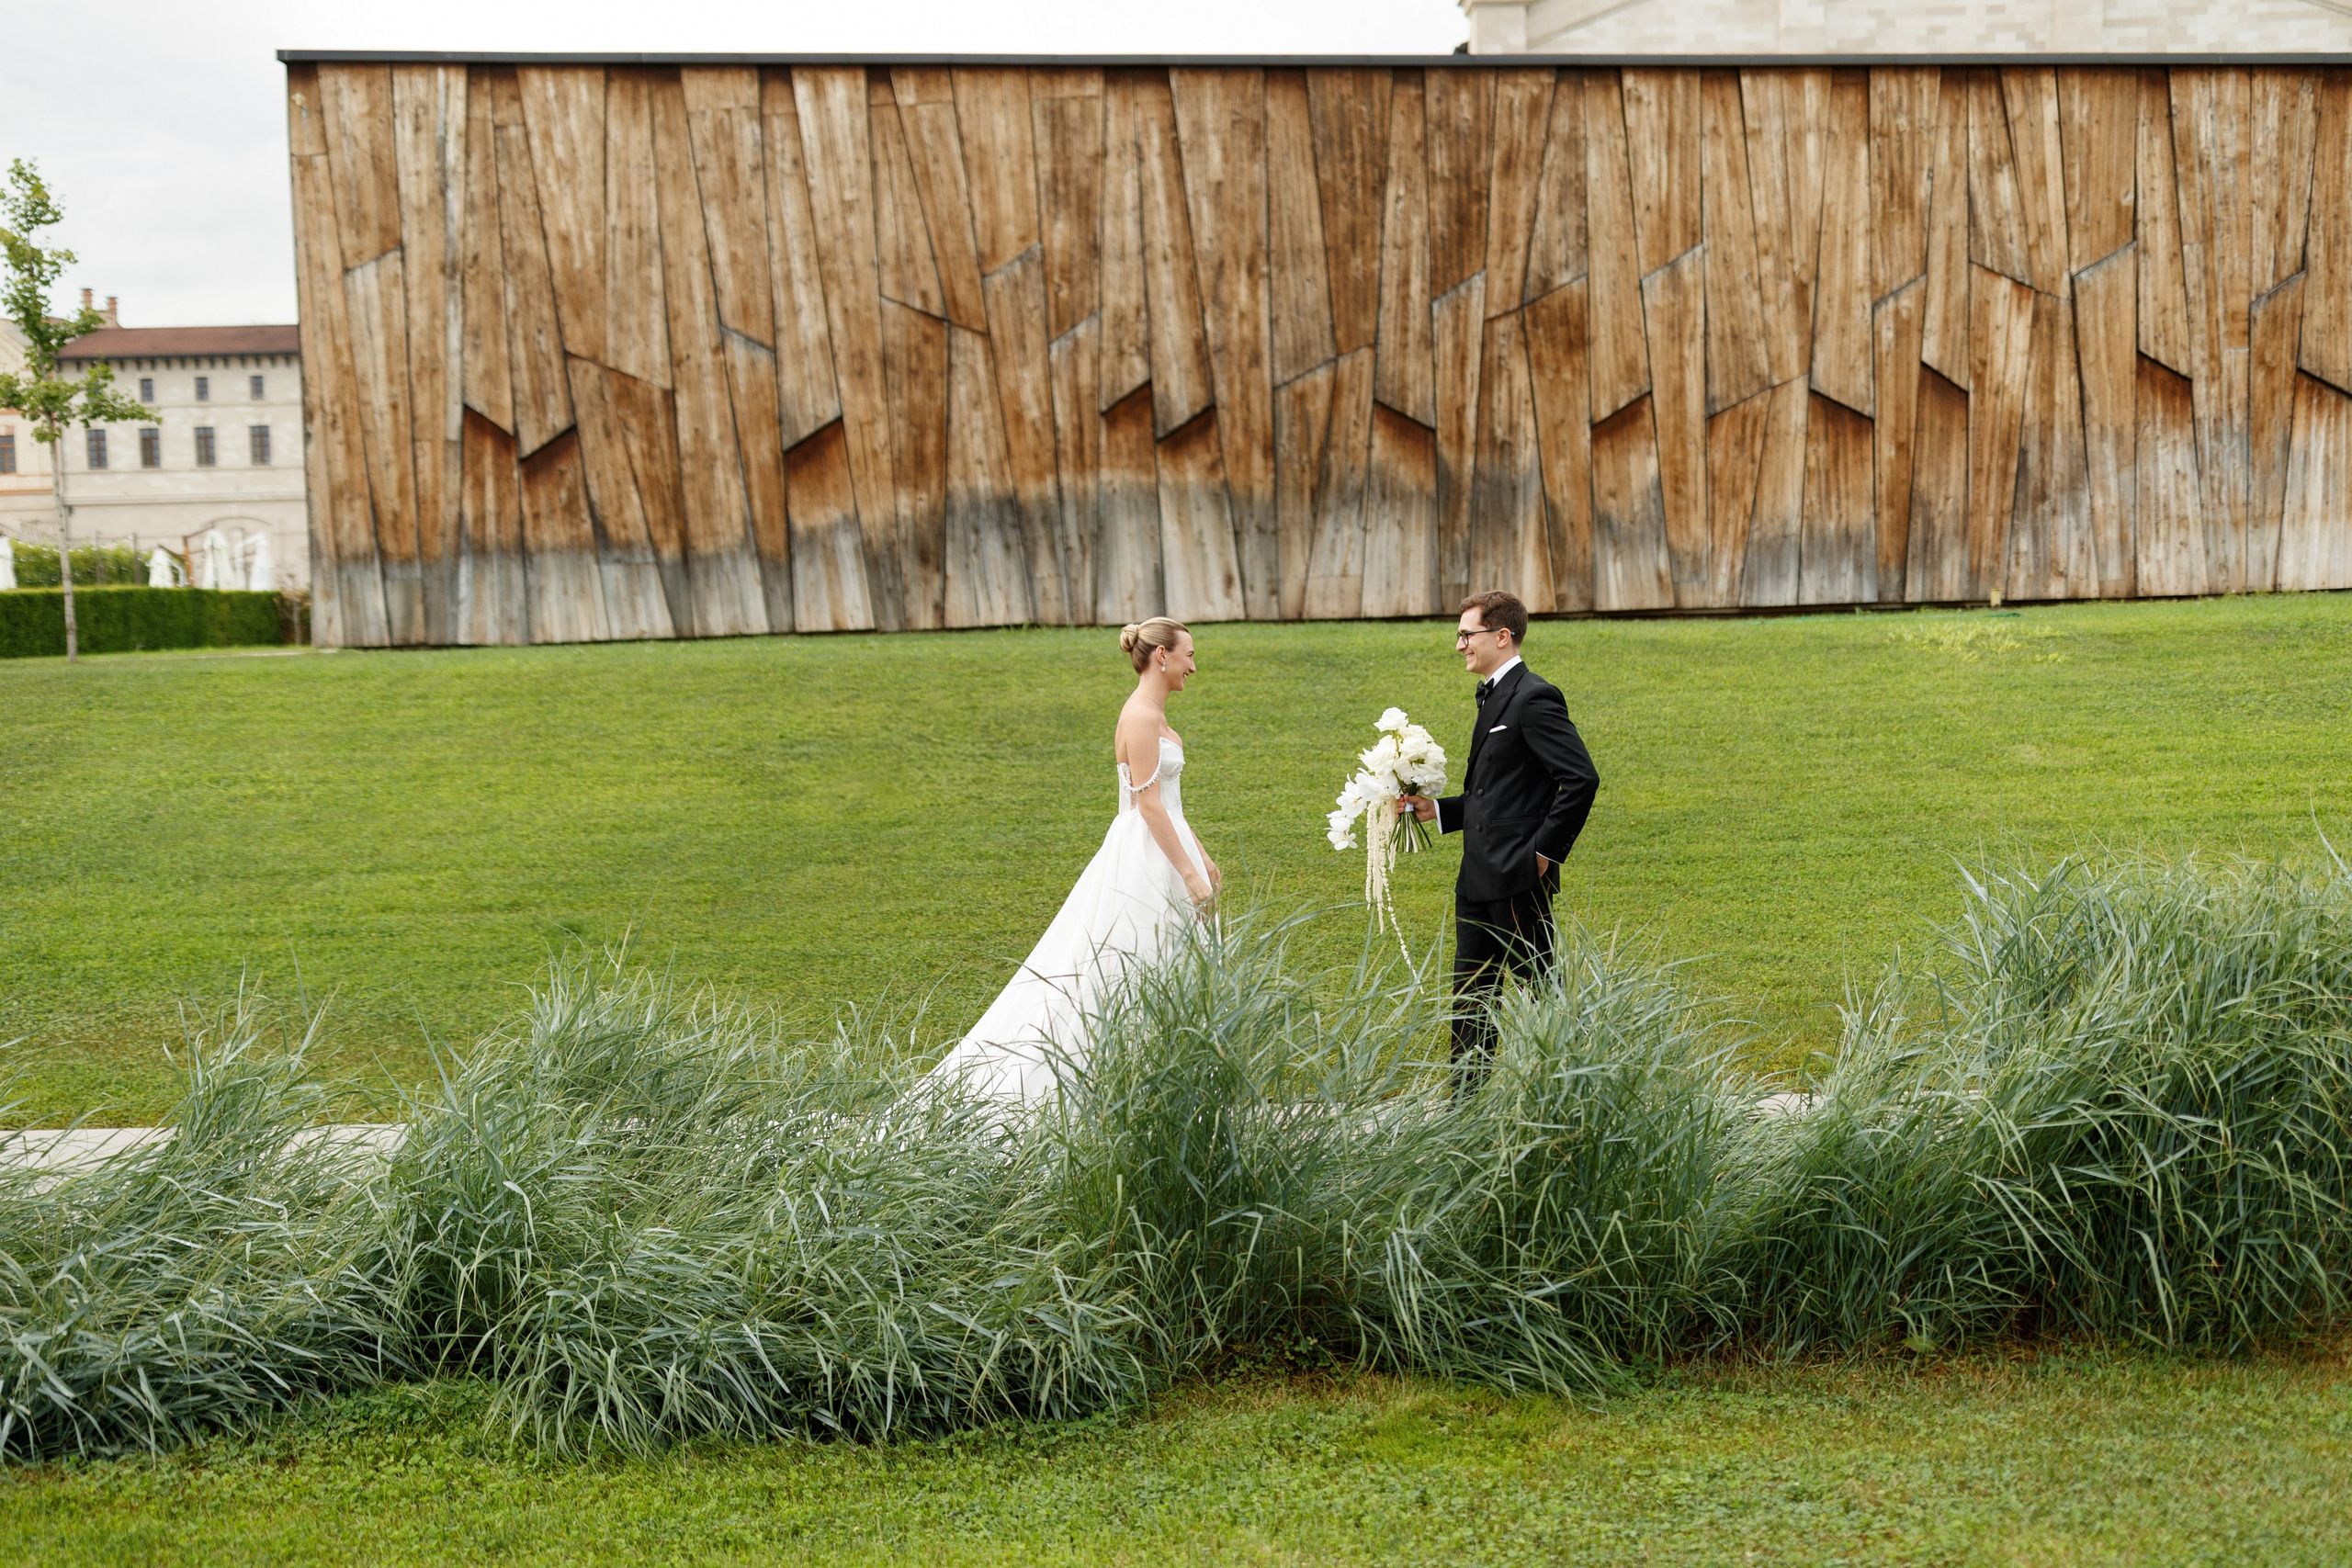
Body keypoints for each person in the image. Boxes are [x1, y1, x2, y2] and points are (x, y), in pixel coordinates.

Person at [924, 617, 1220, 1103]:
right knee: (1132, 964)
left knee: (1172, 966)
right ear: (1162, 655)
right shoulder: (1141, 716)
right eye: (1189, 655)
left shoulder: (1156, 716)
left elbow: (1171, 804)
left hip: (1167, 847)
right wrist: (1188, 873)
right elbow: (1147, 805)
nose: (1193, 665)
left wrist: (1201, 857)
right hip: (1145, 858)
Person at [1396, 590, 1600, 1081]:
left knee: (1542, 995)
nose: (1460, 645)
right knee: (1471, 1002)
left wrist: (1544, 853)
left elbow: (1581, 779)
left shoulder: (1534, 697)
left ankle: (1573, 1097)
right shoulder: (1493, 695)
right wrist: (1437, 811)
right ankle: (1465, 1112)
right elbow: (1496, 796)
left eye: (1467, 635)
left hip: (1517, 876)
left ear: (1502, 636)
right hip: (1476, 878)